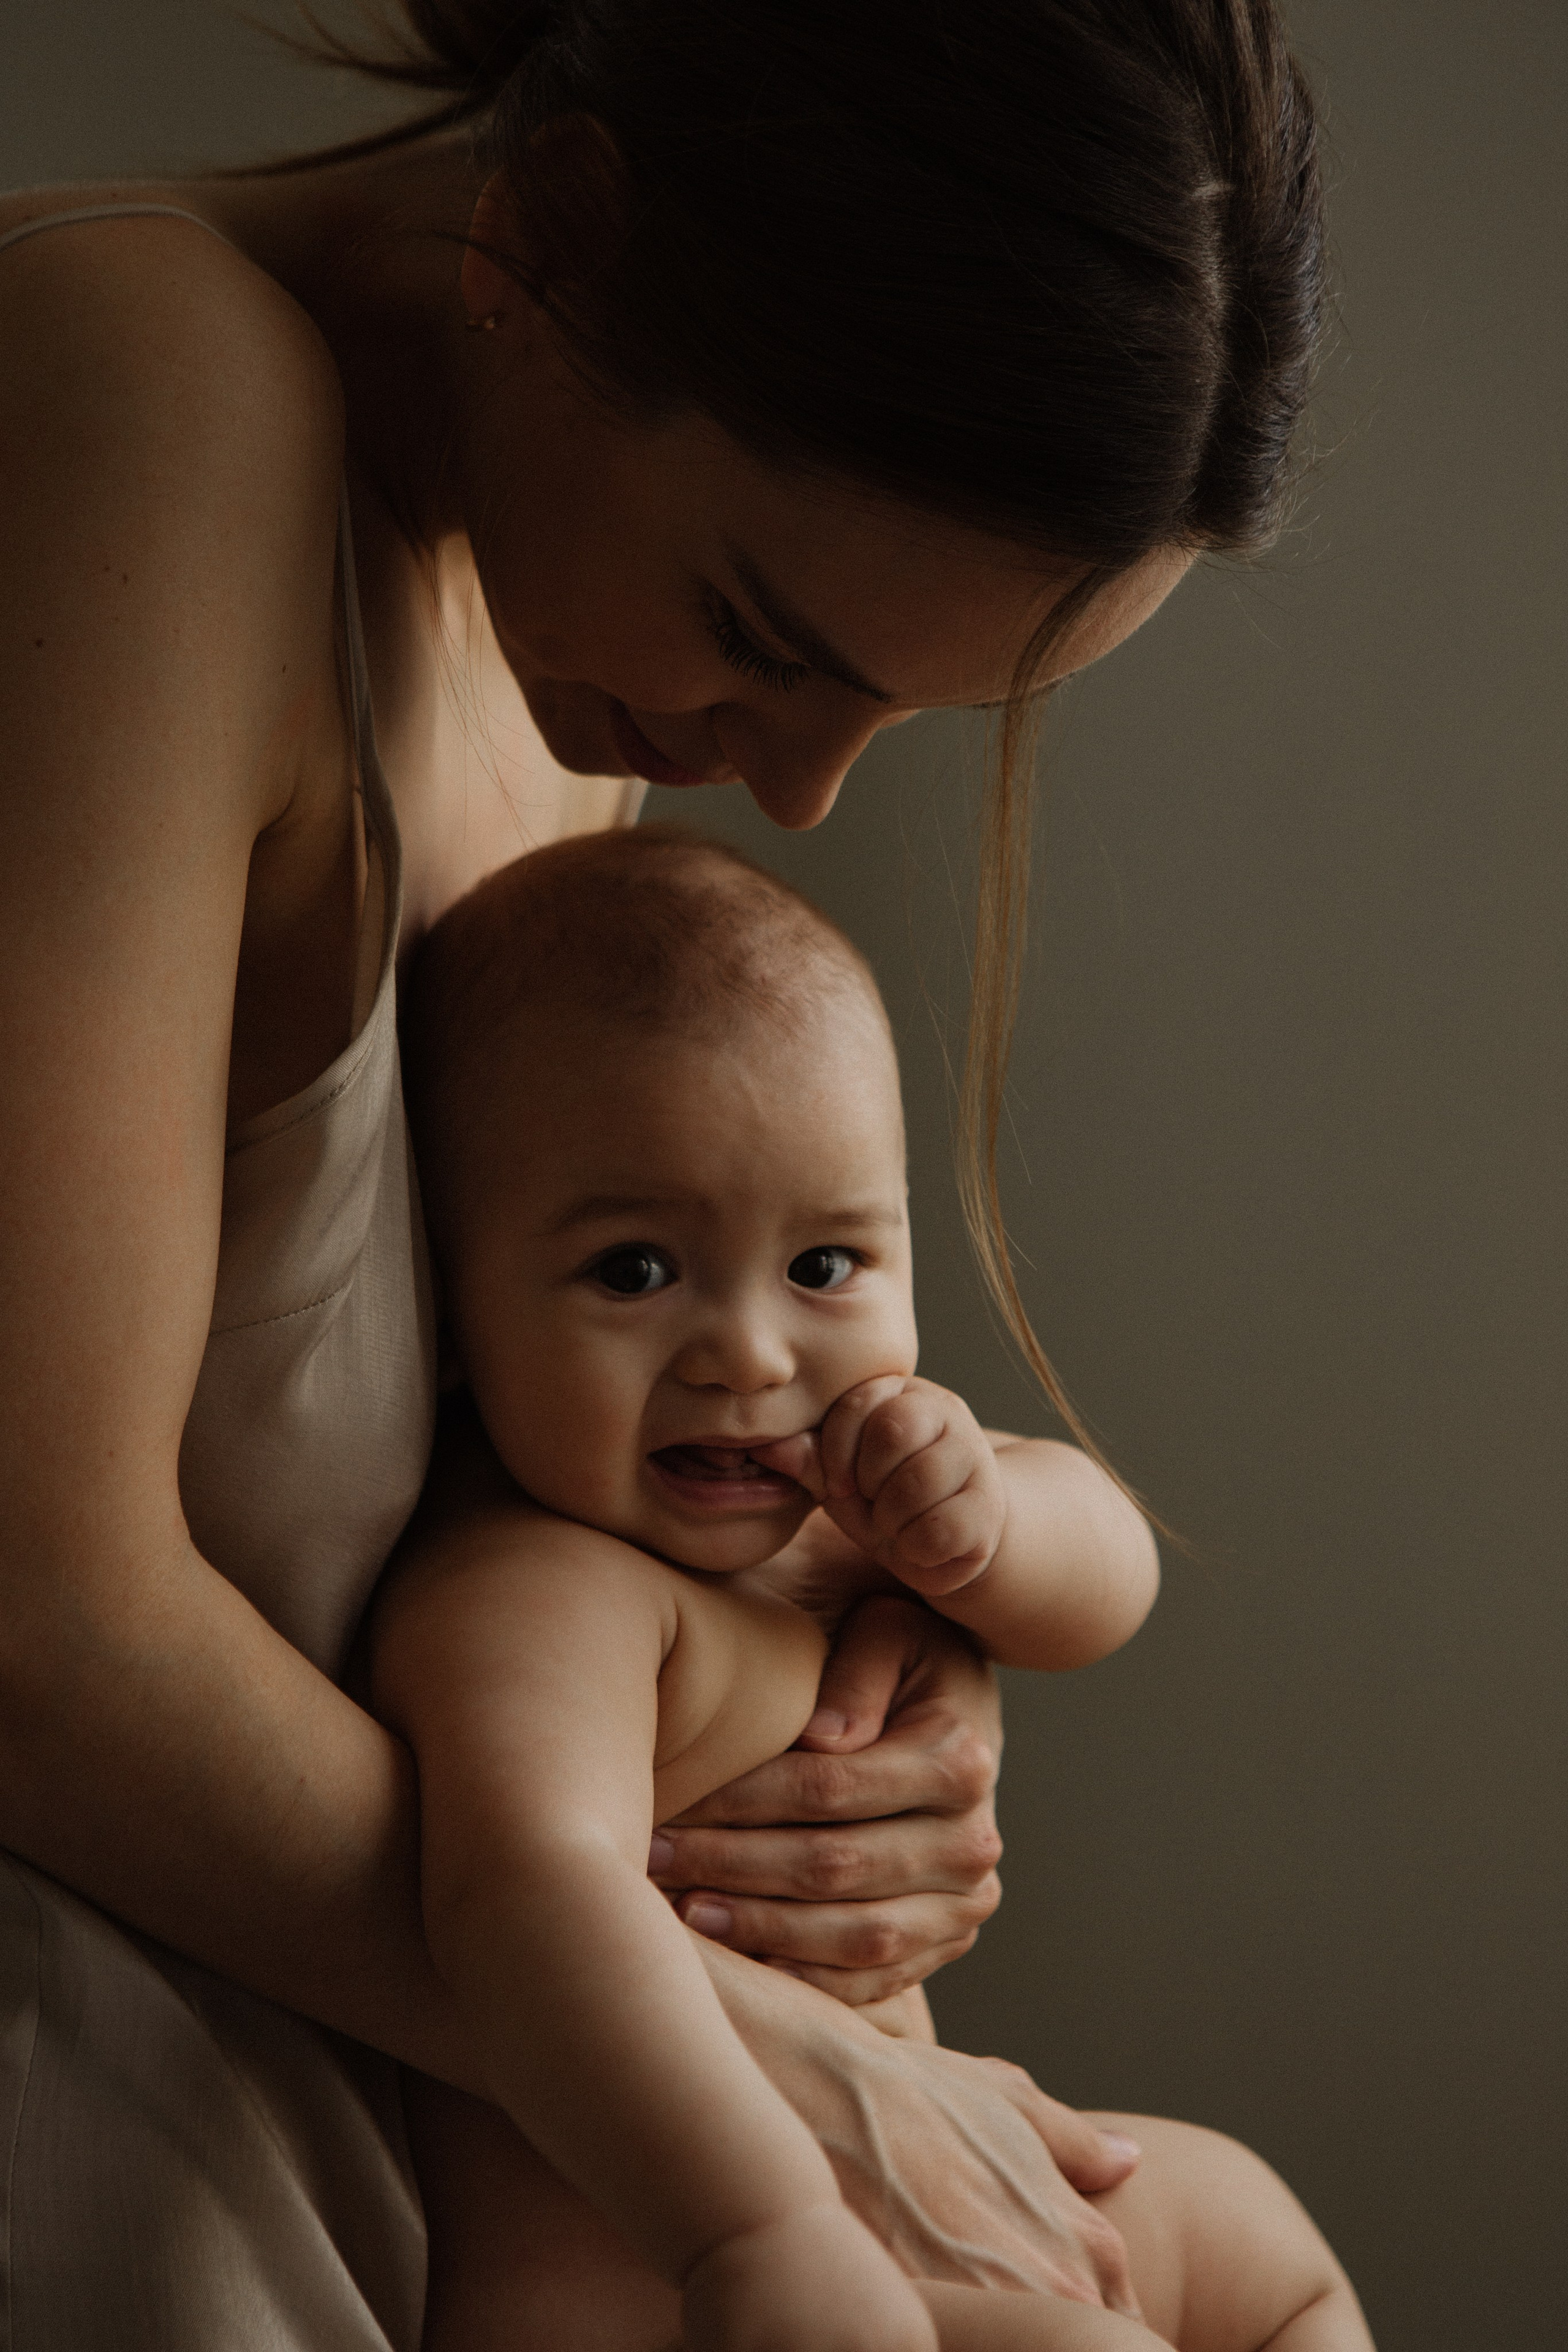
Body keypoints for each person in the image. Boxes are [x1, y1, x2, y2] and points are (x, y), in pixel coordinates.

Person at [0, 3, 1327, 2344]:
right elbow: (35, 1611)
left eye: (899, 711)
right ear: (561, 238)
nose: (794, 794)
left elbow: (400, 1530)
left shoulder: (541, 673)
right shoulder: (145, 390)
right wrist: (744, 2075)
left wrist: (831, 1693)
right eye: (762, 634)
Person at [381, 821, 1373, 2352]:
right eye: (635, 1270)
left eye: (824, 1266)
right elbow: (525, 1896)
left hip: (910, 2204)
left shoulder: (844, 1512)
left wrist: (986, 1523)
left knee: (1255, 2241)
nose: (751, 1354)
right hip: (673, 2280)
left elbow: (1105, 1583)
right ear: (453, 1314)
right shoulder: (541, 1591)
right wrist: (754, 2227)